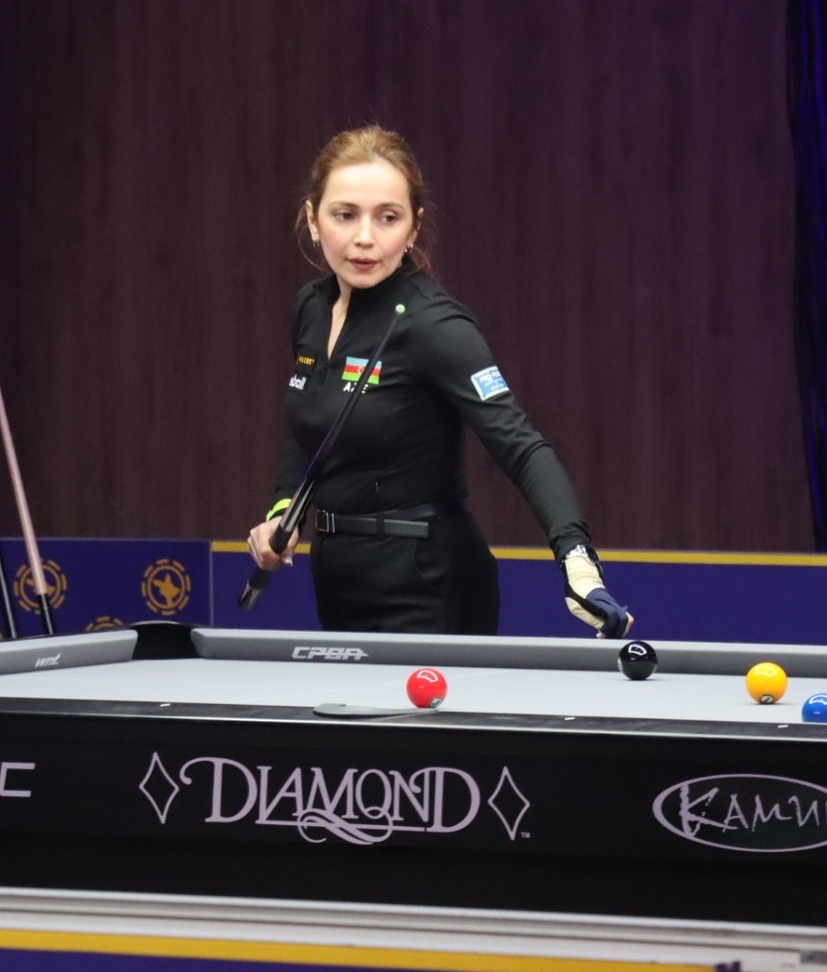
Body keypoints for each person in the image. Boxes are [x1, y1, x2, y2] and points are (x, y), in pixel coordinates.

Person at [246, 126, 632, 638]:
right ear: (313, 220)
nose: (365, 238)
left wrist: (578, 563)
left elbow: (521, 446)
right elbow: (310, 425)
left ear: (414, 228)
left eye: (388, 217)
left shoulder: (436, 325)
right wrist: (283, 511)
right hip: (338, 578)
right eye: (345, 215)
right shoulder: (311, 309)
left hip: (427, 583)